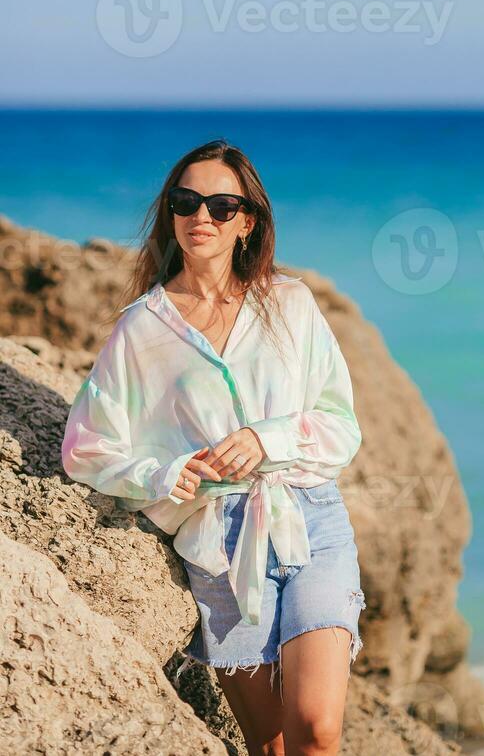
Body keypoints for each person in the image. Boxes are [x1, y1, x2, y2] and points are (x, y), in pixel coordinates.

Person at [61, 137, 366, 756]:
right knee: (271, 744)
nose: (202, 217)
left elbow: (340, 424)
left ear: (246, 222)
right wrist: (160, 473)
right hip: (218, 544)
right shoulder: (141, 327)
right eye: (187, 201)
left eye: (222, 206)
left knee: (318, 728)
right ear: (170, 213)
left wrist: (266, 437)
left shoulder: (290, 303)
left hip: (311, 521)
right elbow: (86, 446)